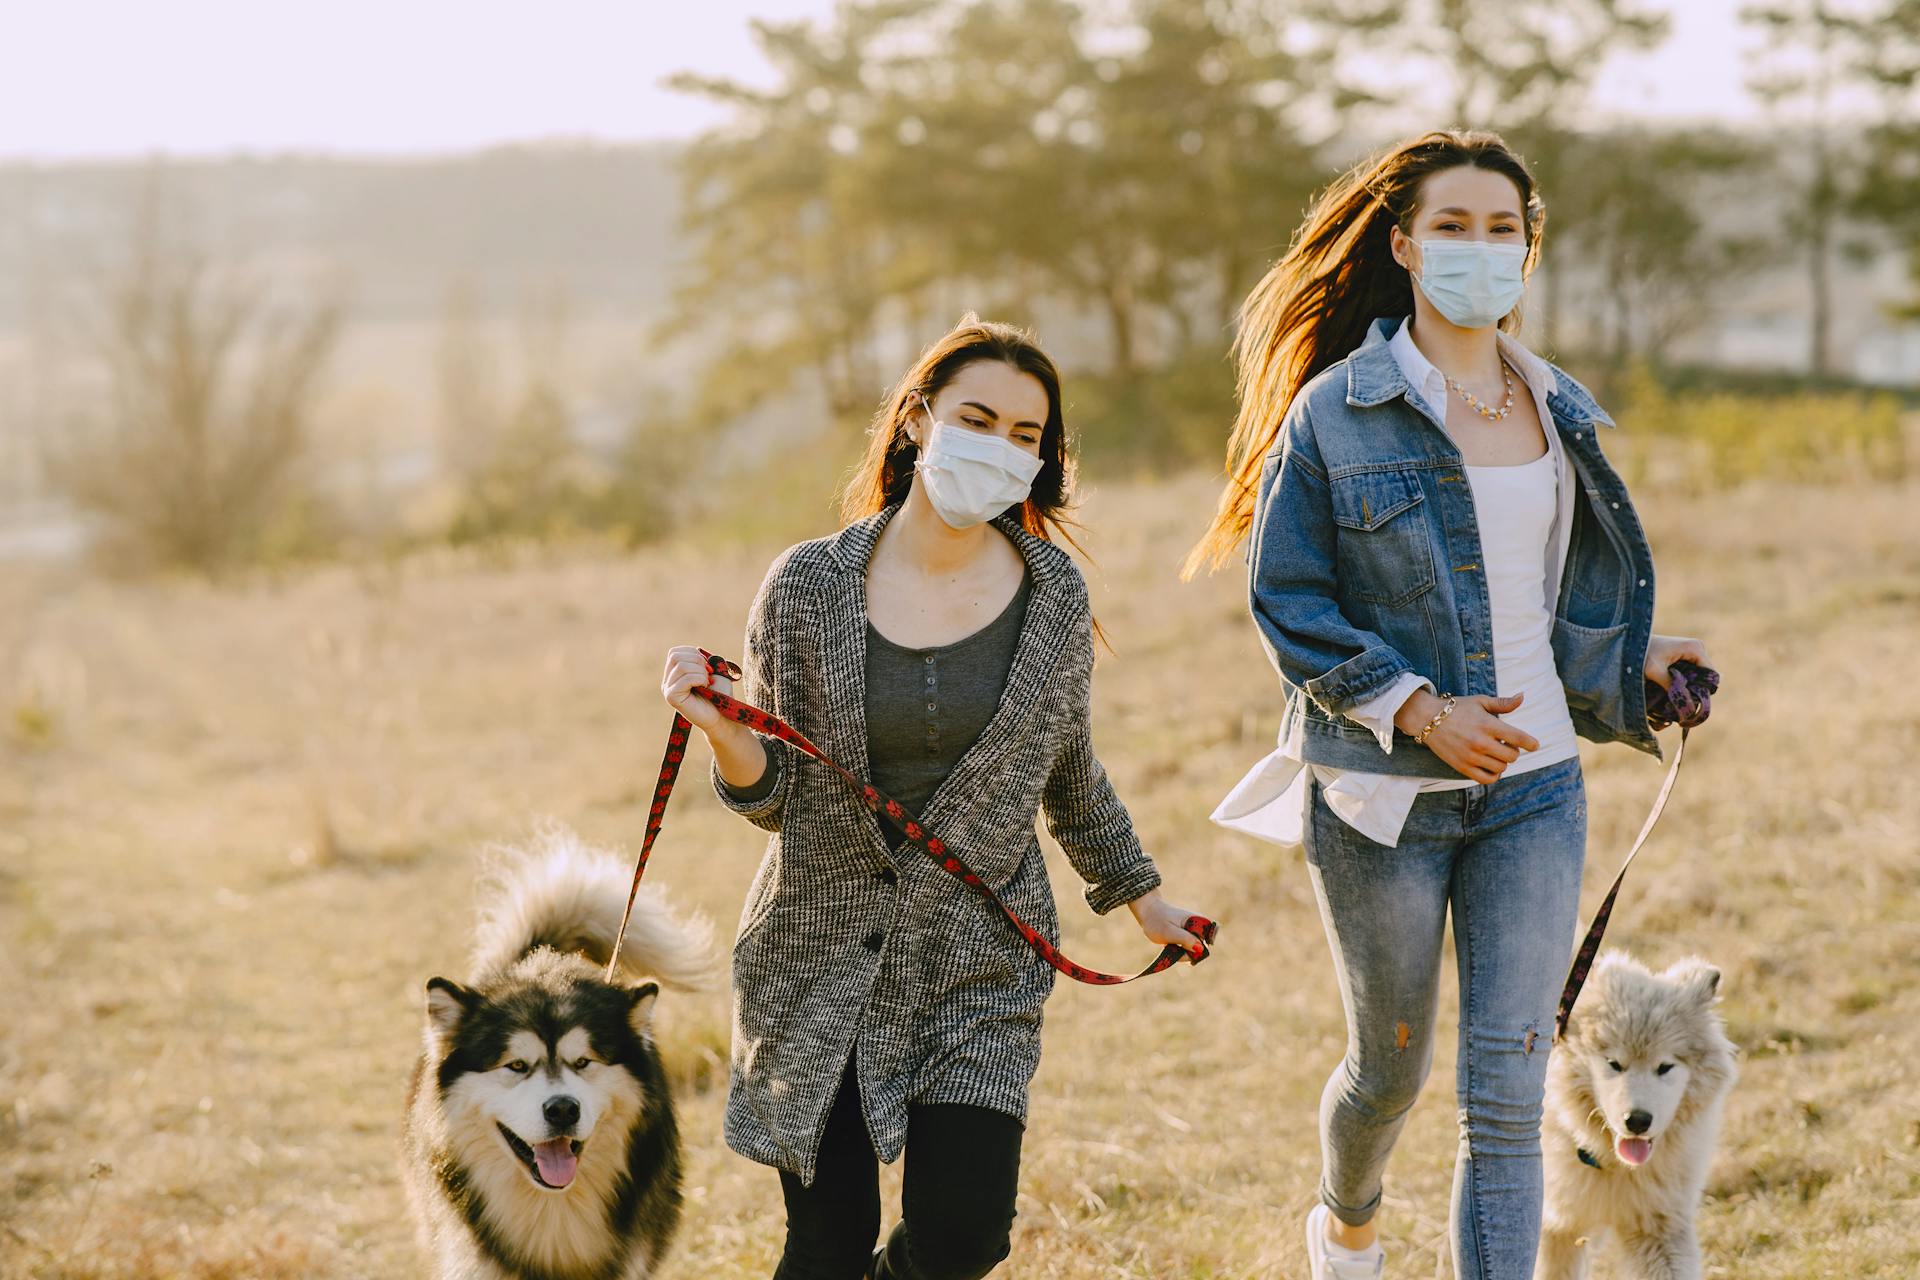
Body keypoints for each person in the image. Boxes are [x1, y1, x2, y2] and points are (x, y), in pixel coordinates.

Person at [1187, 130, 1710, 1280]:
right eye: (1453, 226)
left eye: (1502, 229)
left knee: (1506, 1087)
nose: (1480, 248)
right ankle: (1348, 1223)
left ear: (1530, 249)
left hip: (1536, 794)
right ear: (1405, 244)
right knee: (1389, 1068)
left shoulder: (1558, 407)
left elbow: (1542, 598)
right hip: (1383, 798)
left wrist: (1641, 662)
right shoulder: (1337, 413)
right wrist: (1421, 710)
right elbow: (1289, 601)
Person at [663, 317, 1210, 1280]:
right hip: (818, 955)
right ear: (918, 420)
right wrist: (720, 731)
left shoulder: (1053, 596)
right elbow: (773, 799)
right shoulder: (806, 585)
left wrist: (1141, 898)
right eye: (978, 418)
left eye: (1025, 435)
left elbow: (1068, 771)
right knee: (825, 1248)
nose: (999, 447)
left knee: (963, 1239)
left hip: (978, 963)